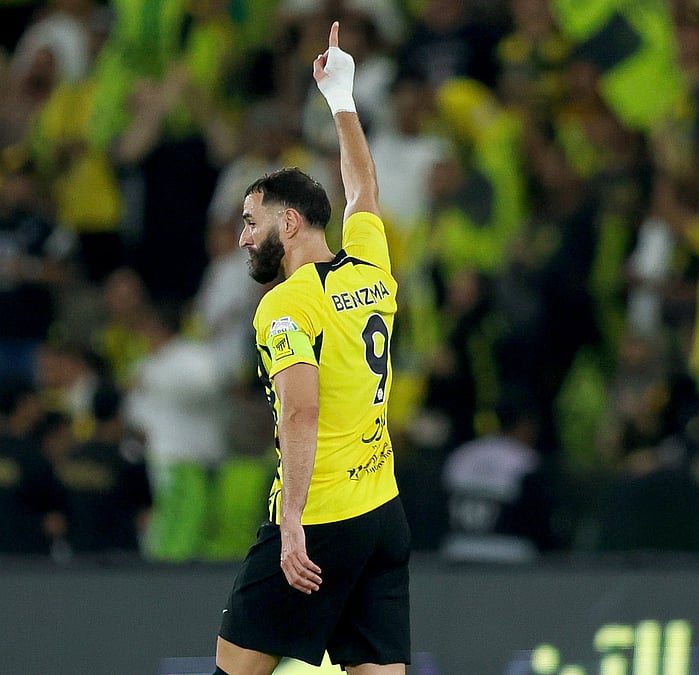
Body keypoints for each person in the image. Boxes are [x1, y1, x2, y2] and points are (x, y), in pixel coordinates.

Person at [215, 22, 411, 675]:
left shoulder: (288, 303)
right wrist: (341, 98)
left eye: (251, 220)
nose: (243, 238)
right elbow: (363, 188)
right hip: (382, 514)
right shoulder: (370, 266)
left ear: (289, 221)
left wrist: (292, 521)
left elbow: (301, 410)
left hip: (319, 517)